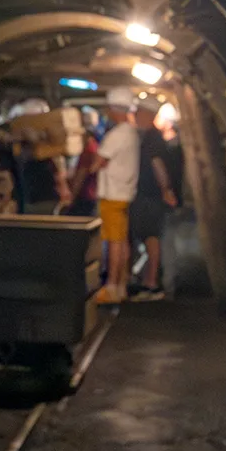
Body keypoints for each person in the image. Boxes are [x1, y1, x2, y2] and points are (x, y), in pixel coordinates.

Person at [87, 87, 141, 303]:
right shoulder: (131, 133)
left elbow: (96, 164)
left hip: (113, 194)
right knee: (123, 240)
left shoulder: (116, 135)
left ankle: (111, 286)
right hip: (125, 193)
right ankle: (121, 285)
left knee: (114, 242)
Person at [128, 99, 178, 300]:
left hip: (150, 196)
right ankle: (149, 281)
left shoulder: (152, 138)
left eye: (139, 112)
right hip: (148, 195)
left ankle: (151, 284)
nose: (137, 116)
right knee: (150, 237)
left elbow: (157, 165)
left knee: (151, 238)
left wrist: (165, 189)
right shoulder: (150, 137)